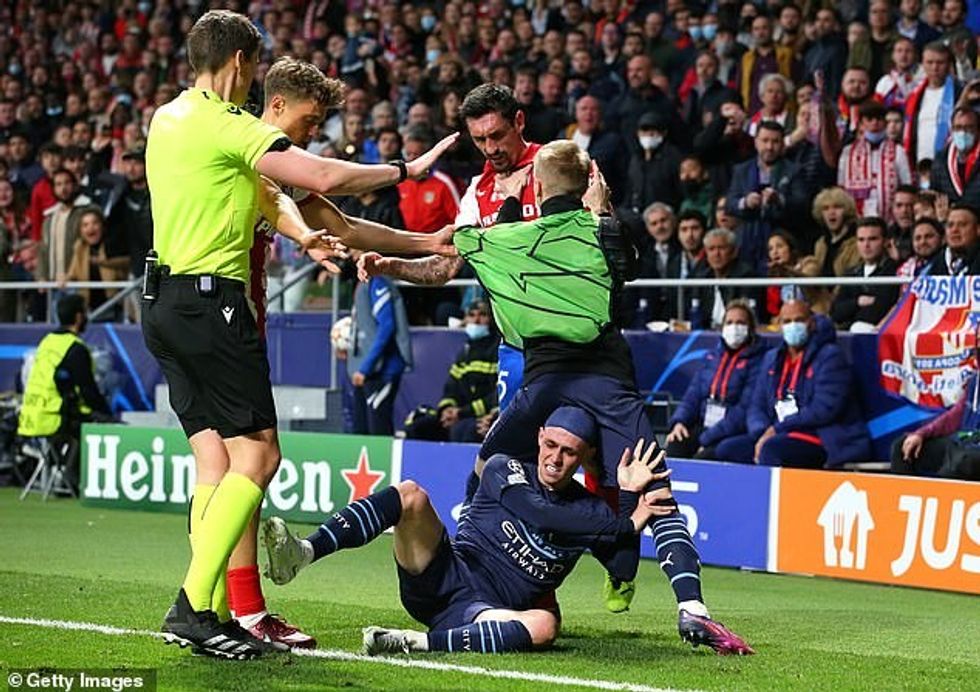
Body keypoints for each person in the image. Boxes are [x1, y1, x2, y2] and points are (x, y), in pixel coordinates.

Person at [143, 10, 455, 660]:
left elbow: (291, 203)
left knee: (215, 465)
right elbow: (320, 179)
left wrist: (329, 237)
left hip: (164, 304)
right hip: (214, 305)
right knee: (257, 459)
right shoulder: (232, 126)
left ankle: (219, 610)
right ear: (241, 64)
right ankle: (194, 605)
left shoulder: (167, 119)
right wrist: (408, 169)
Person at [449, 141, 751, 652]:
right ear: (593, 180)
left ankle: (463, 578)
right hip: (610, 380)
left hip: (544, 383)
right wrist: (603, 210)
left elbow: (458, 244)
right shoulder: (607, 228)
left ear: (537, 187)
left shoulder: (507, 237)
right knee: (653, 491)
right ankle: (692, 609)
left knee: (485, 467)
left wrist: (500, 208)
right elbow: (625, 267)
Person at [261, 408, 746, 655]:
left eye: (569, 452)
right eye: (551, 445)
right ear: (539, 438)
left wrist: (623, 497)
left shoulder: (587, 508)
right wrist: (625, 517)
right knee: (410, 494)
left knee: (546, 625)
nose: (555, 458)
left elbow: (621, 566)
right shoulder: (504, 469)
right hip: (441, 575)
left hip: (486, 613)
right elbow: (541, 513)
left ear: (582, 459)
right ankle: (302, 553)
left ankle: (410, 644)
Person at [714, 301, 872, 468]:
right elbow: (756, 405)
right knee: (728, 449)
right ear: (779, 326)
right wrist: (762, 431)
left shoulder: (830, 357)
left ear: (811, 323)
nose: (793, 326)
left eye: (799, 320)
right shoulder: (772, 359)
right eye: (787, 321)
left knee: (772, 450)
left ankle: (766, 494)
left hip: (823, 435)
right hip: (778, 432)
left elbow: (824, 409)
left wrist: (777, 430)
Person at [17, 294, 113, 489]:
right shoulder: (75, 349)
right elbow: (88, 390)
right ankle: (75, 479)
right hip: (54, 418)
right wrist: (108, 416)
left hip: (30, 416)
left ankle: (62, 472)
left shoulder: (47, 342)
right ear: (78, 317)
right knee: (98, 423)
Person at [665, 300, 766, 461]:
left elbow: (744, 410)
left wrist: (707, 438)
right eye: (730, 322)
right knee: (675, 445)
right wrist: (679, 422)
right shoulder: (712, 356)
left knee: (704, 458)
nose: (734, 327)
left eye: (740, 323)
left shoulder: (760, 360)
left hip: (732, 431)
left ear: (751, 328)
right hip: (704, 424)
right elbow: (693, 394)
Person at [404, 300, 499, 443]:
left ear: (491, 319)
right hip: (459, 415)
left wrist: (461, 413)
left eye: (482, 315)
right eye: (471, 315)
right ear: (465, 319)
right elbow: (451, 389)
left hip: (481, 416)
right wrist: (447, 410)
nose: (476, 320)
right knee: (417, 427)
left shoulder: (497, 350)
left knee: (462, 430)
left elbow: (497, 394)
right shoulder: (465, 352)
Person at [348, 252, 412, 436]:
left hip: (383, 370)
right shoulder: (364, 281)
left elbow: (387, 326)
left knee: (378, 431)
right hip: (368, 370)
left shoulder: (378, 282)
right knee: (362, 430)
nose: (348, 251)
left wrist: (365, 367)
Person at [891, 367, 980, 478]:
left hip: (972, 450)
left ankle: (944, 494)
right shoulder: (976, 379)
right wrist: (921, 434)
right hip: (965, 441)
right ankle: (904, 492)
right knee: (903, 447)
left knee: (961, 461)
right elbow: (956, 415)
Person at [837, 102, 913, 222]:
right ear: (861, 123)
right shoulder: (848, 152)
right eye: (870, 119)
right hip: (857, 219)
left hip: (890, 219)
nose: (874, 123)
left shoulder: (898, 151)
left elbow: (906, 184)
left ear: (885, 123)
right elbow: (841, 186)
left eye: (879, 119)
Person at [830, 217, 900, 332]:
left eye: (872, 239)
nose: (866, 245)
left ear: (886, 241)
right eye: (861, 240)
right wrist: (858, 302)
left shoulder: (893, 270)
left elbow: (881, 308)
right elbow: (835, 312)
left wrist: (894, 263)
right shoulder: (852, 273)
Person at [930, 106, 980, 209]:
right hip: (952, 221)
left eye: (969, 127)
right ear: (952, 130)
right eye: (958, 127)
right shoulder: (941, 159)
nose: (963, 132)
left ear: (978, 130)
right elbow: (935, 194)